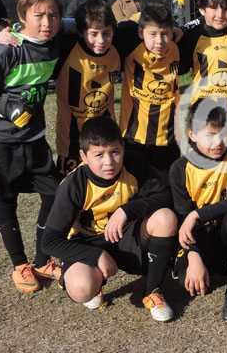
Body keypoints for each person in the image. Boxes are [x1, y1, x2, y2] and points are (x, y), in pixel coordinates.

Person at [0, 0, 62, 293]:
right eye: (39, 16)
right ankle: (19, 264)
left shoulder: (55, 42)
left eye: (53, 15)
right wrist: (5, 108)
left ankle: (42, 259)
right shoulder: (6, 49)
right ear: (23, 16)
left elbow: (78, 20)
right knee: (6, 200)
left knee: (54, 194)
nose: (47, 22)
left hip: (34, 138)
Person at [42, 117, 178, 321]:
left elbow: (167, 195)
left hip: (125, 236)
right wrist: (96, 255)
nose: (109, 162)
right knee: (81, 288)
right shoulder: (73, 185)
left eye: (115, 152)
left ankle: (153, 291)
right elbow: (49, 242)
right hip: (88, 242)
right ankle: (93, 281)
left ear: (123, 148)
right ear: (84, 157)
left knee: (165, 218)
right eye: (99, 154)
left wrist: (127, 210)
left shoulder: (134, 163)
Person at [170, 102, 227, 322]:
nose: (218, 142)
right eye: (210, 135)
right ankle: (199, 265)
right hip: (199, 240)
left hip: (226, 240)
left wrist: (197, 214)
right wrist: (193, 255)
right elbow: (182, 218)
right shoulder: (179, 169)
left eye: (223, 134)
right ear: (192, 135)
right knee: (187, 283)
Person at [119, 3, 189, 172]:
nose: (159, 41)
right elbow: (121, 26)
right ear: (140, 33)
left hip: (168, 136)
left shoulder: (179, 48)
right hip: (134, 135)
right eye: (153, 34)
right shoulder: (130, 45)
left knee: (166, 183)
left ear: (172, 32)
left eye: (164, 34)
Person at [55, 0, 121, 175]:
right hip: (71, 137)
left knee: (104, 180)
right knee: (71, 183)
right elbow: (42, 31)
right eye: (93, 34)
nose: (101, 40)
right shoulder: (66, 46)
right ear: (81, 32)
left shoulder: (120, 46)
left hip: (104, 130)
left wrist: (177, 30)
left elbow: (145, 26)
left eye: (106, 33)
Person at [179, 0, 227, 143]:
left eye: (226, 8)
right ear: (202, 9)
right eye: (213, 8)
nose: (220, 14)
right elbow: (180, 69)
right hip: (203, 111)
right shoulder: (191, 36)